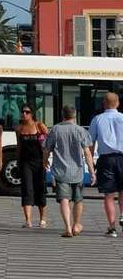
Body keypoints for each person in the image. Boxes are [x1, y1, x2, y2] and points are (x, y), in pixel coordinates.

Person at [45, 104, 96, 238]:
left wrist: (45, 162)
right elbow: (87, 153)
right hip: (77, 172)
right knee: (78, 200)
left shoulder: (55, 129)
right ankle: (76, 224)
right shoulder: (81, 131)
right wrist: (92, 171)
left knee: (64, 199)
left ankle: (67, 227)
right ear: (75, 116)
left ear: (63, 115)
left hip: (60, 171)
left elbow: (47, 149)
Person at [89, 91, 123, 237]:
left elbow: (90, 143)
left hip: (106, 159)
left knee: (109, 195)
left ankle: (112, 228)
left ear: (104, 103)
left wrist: (90, 162)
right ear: (118, 103)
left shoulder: (97, 119)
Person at [15, 104, 49, 228]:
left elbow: (48, 142)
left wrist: (46, 158)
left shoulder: (39, 126)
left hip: (39, 162)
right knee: (27, 189)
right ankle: (28, 220)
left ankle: (42, 219)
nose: (24, 114)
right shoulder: (19, 129)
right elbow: (18, 146)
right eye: (23, 112)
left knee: (40, 189)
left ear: (32, 114)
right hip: (25, 162)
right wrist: (18, 162)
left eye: (27, 112)